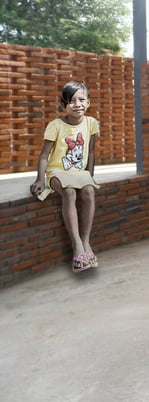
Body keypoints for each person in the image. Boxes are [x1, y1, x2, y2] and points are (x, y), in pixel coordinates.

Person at [29, 81, 101, 273]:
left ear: (88, 103)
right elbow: (44, 155)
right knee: (69, 193)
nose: (77, 104)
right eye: (71, 101)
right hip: (57, 172)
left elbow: (91, 153)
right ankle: (77, 245)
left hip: (79, 172)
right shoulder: (55, 126)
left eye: (81, 100)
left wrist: (90, 176)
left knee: (88, 192)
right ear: (63, 105)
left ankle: (86, 242)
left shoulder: (91, 123)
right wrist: (40, 179)